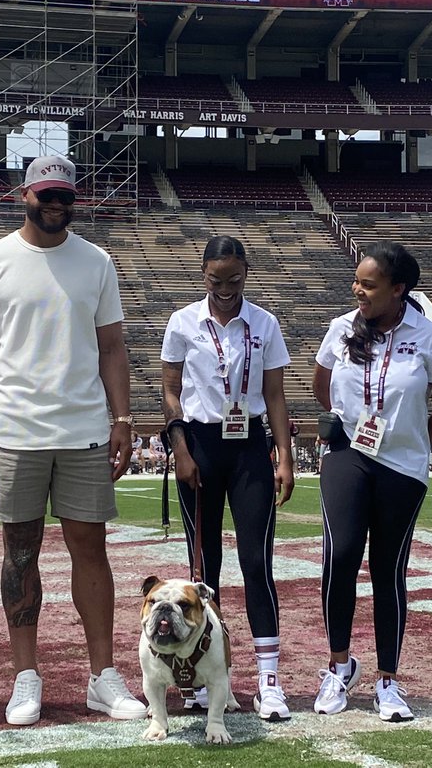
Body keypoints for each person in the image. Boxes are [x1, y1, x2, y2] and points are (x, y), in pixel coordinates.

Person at [0, 154, 146, 727]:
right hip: (14, 429)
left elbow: (112, 347)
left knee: (92, 550)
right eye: (47, 194)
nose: (56, 203)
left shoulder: (97, 262)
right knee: (20, 554)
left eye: (65, 194)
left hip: (86, 427)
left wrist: (122, 419)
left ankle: (101, 676)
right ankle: (25, 675)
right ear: (24, 195)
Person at [311, 242, 432, 722]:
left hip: (403, 465)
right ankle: (339, 666)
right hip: (347, 456)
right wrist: (345, 421)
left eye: (369, 285)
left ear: (399, 290)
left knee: (388, 570)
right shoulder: (340, 328)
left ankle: (388, 681)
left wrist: (418, 435)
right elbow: (321, 385)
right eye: (356, 281)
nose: (358, 290)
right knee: (340, 556)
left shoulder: (428, 334)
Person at [160, 235, 296, 720]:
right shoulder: (182, 323)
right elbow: (171, 389)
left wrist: (284, 456)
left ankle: (268, 681)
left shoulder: (264, 323)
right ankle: (196, 676)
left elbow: (276, 395)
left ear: (246, 274)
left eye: (234, 281)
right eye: (216, 281)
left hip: (249, 449)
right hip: (199, 445)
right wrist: (180, 448)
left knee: (257, 563)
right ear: (203, 275)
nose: (224, 289)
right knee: (203, 571)